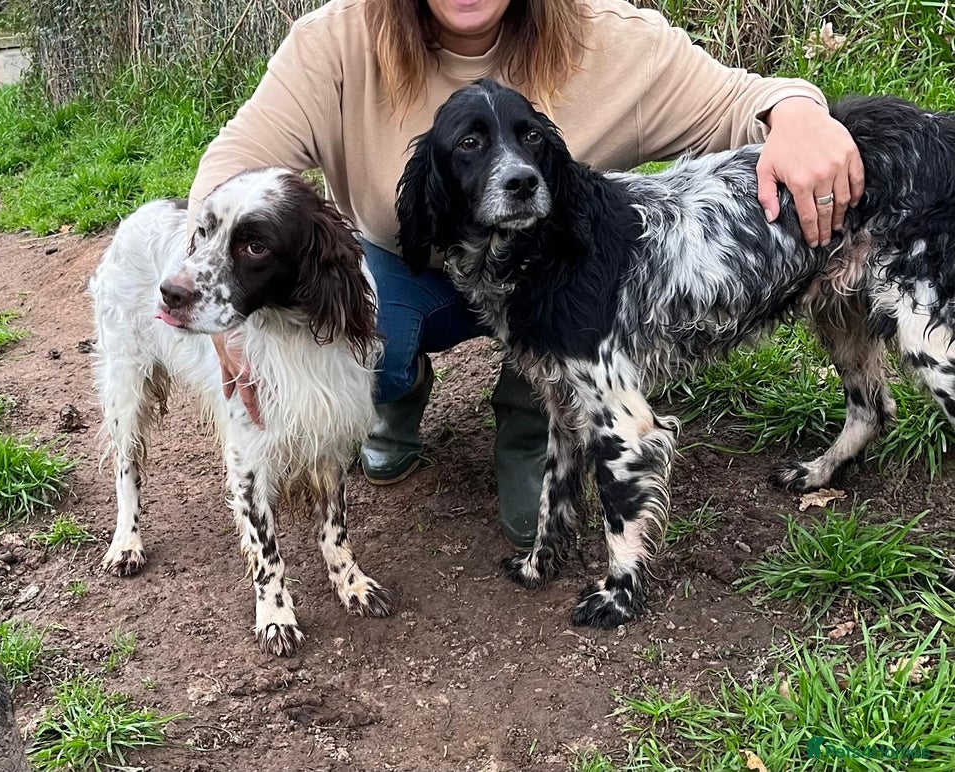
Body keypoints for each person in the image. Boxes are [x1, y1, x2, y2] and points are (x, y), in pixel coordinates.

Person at [186, 0, 864, 550]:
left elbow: (739, 100)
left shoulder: (609, 35)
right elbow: (234, 162)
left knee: (538, 473)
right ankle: (397, 397)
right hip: (410, 262)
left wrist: (798, 112)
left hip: (547, 278)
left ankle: (530, 409)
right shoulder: (335, 40)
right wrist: (221, 304)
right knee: (376, 354)